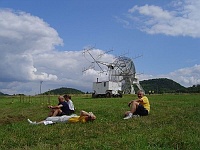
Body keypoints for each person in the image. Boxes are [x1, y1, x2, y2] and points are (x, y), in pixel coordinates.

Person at [27, 110, 96, 125]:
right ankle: (35, 123)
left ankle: (34, 124)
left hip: (64, 120)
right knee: (49, 121)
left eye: (89, 115)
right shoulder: (84, 118)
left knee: (48, 119)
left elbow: (82, 112)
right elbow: (83, 112)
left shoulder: (83, 120)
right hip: (66, 118)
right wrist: (90, 114)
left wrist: (90, 115)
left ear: (88, 117)